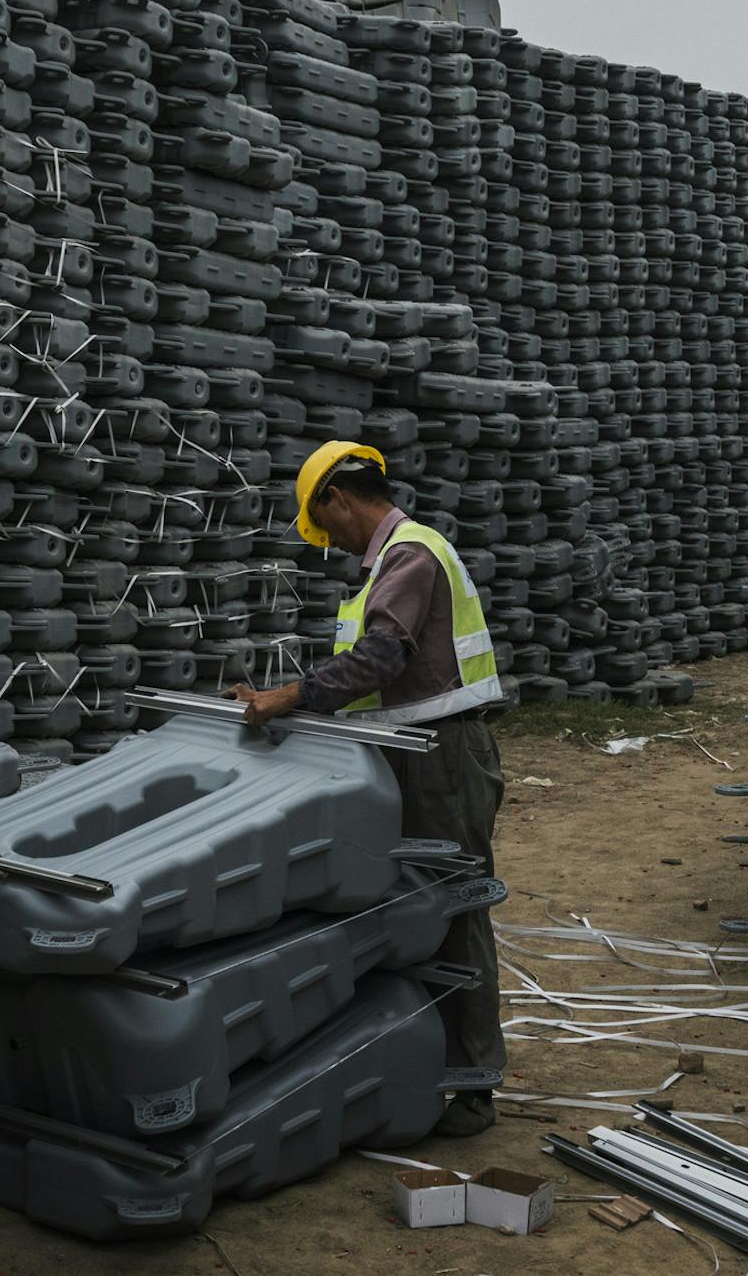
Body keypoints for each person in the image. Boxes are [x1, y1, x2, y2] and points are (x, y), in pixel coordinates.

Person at [227, 441, 509, 1138]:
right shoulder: (388, 563)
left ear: (340, 499)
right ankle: (423, 1061)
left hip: (442, 757)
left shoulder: (410, 555)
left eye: (327, 526)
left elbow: (380, 658)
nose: (333, 541)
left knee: (456, 906)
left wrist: (287, 698)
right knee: (416, 909)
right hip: (408, 757)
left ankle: (473, 1083)